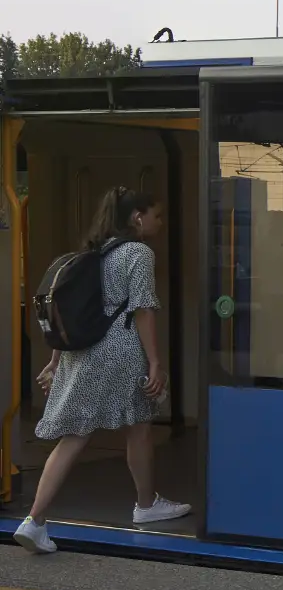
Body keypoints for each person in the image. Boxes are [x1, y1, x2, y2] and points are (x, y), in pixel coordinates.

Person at [13, 186, 189, 553]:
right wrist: (156, 362)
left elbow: (79, 314)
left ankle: (35, 520)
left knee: (74, 436)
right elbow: (143, 310)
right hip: (120, 353)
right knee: (139, 428)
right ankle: (145, 505)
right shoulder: (139, 253)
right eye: (156, 214)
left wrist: (56, 360)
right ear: (137, 218)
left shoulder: (93, 253)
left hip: (81, 354)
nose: (160, 221)